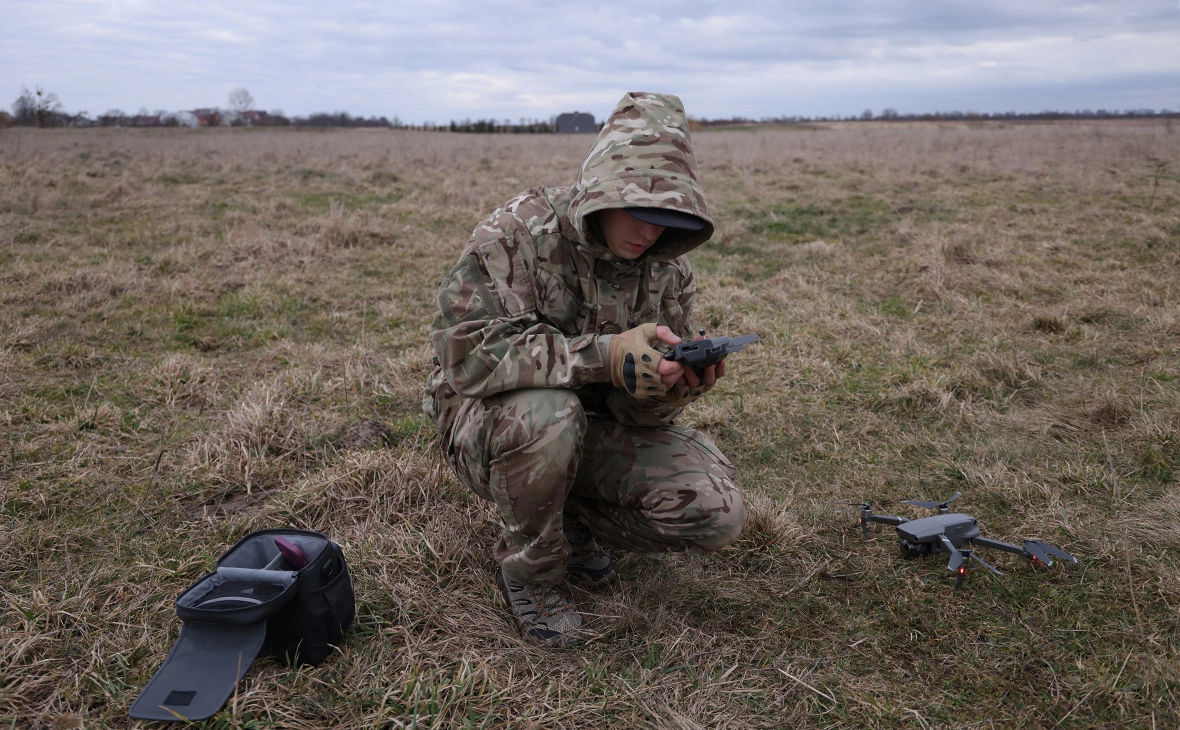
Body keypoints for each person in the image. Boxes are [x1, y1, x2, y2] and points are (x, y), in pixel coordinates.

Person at [423, 92, 747, 647]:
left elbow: (635, 415)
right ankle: (533, 569)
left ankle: (569, 516)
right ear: (602, 191)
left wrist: (665, 387)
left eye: (668, 220)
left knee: (717, 512)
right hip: (489, 424)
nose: (650, 234)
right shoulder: (516, 233)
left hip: (588, 427)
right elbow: (466, 357)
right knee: (551, 411)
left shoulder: (667, 270)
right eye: (640, 213)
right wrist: (605, 355)